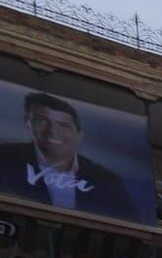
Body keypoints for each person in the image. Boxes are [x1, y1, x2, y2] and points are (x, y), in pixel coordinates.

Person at [0, 91, 140, 220]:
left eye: (63, 124)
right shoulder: (5, 158)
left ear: (79, 135)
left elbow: (131, 224)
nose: (52, 131)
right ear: (27, 123)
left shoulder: (106, 180)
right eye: (41, 120)